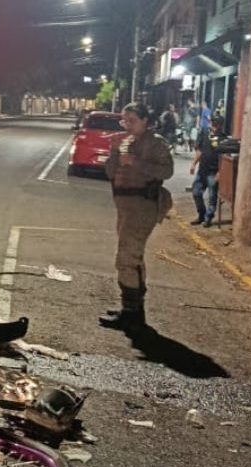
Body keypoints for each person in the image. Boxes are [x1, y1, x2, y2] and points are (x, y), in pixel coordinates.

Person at [100, 103, 175, 332]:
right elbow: (111, 173)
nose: (127, 125)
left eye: (132, 120)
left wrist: (136, 163)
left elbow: (166, 171)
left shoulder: (156, 143)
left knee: (126, 257)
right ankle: (133, 309)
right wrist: (114, 151)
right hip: (125, 206)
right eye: (125, 121)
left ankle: (131, 312)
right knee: (134, 257)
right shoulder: (125, 142)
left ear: (145, 120)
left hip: (143, 207)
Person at [190, 115, 224, 227]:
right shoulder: (204, 133)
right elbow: (200, 150)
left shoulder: (222, 138)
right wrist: (194, 164)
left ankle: (208, 217)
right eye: (213, 124)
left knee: (212, 196)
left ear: (220, 125)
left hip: (214, 171)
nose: (215, 127)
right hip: (202, 170)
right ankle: (201, 214)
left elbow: (224, 157)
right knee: (196, 192)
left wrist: (220, 172)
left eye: (217, 125)